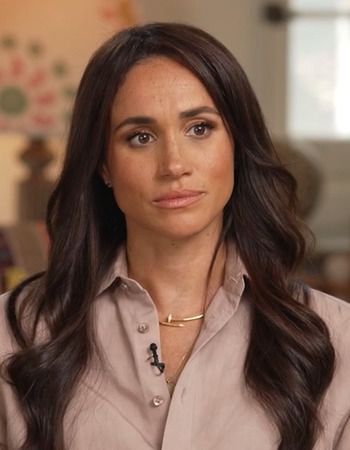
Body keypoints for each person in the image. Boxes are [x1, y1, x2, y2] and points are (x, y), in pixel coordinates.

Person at [0, 22, 349, 450]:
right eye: (140, 137)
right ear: (104, 166)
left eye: (199, 128)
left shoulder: (334, 337)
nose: (174, 165)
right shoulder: (14, 331)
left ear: (237, 144)